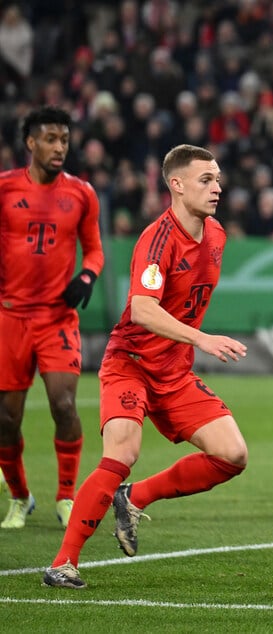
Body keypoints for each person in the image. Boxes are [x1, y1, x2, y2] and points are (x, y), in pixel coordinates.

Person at [43, 144, 249, 589]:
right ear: (175, 185)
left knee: (233, 455)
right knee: (122, 453)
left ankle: (133, 497)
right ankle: (64, 563)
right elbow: (141, 309)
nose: (217, 187)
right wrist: (202, 338)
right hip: (131, 364)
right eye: (205, 180)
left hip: (173, 370)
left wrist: (189, 346)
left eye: (217, 179)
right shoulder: (157, 239)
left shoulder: (216, 235)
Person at [0, 106, 103, 530]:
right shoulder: (4, 188)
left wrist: (87, 274)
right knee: (6, 419)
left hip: (57, 320)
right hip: (9, 318)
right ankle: (20, 497)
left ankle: (66, 495)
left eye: (64, 139)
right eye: (50, 138)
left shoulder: (81, 193)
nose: (59, 147)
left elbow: (94, 248)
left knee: (64, 404)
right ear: (30, 142)